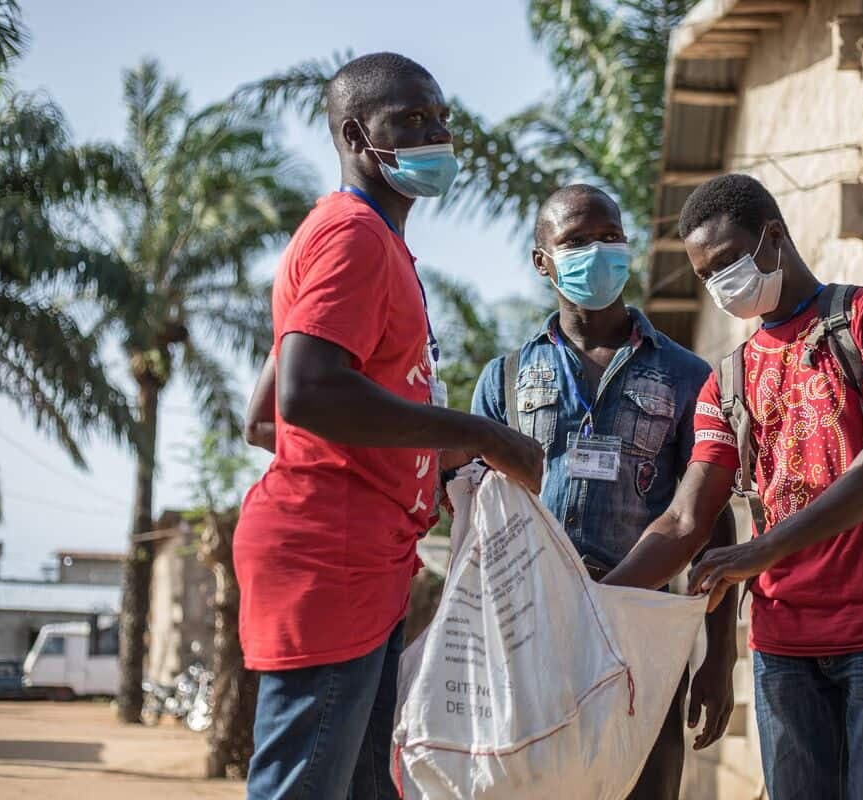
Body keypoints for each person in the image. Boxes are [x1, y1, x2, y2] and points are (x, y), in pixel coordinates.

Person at [235, 52, 543, 800]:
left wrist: (431, 466)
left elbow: (263, 418)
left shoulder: (366, 239)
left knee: (371, 784)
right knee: (305, 786)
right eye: (410, 119)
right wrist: (483, 436)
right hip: (330, 555)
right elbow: (306, 395)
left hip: (362, 556)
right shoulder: (355, 238)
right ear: (353, 134)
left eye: (441, 119)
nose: (435, 133)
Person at [602, 173, 863, 800]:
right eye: (708, 274)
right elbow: (685, 521)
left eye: (731, 259)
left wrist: (759, 552)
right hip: (782, 644)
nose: (722, 282)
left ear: (774, 236)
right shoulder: (726, 380)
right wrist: (593, 600)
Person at [470, 184, 739, 800]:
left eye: (610, 237)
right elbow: (473, 517)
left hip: (640, 632)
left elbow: (711, 521)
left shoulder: (686, 375)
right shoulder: (504, 380)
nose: (598, 252)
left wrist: (719, 656)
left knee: (645, 784)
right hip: (529, 634)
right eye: (576, 241)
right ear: (543, 262)